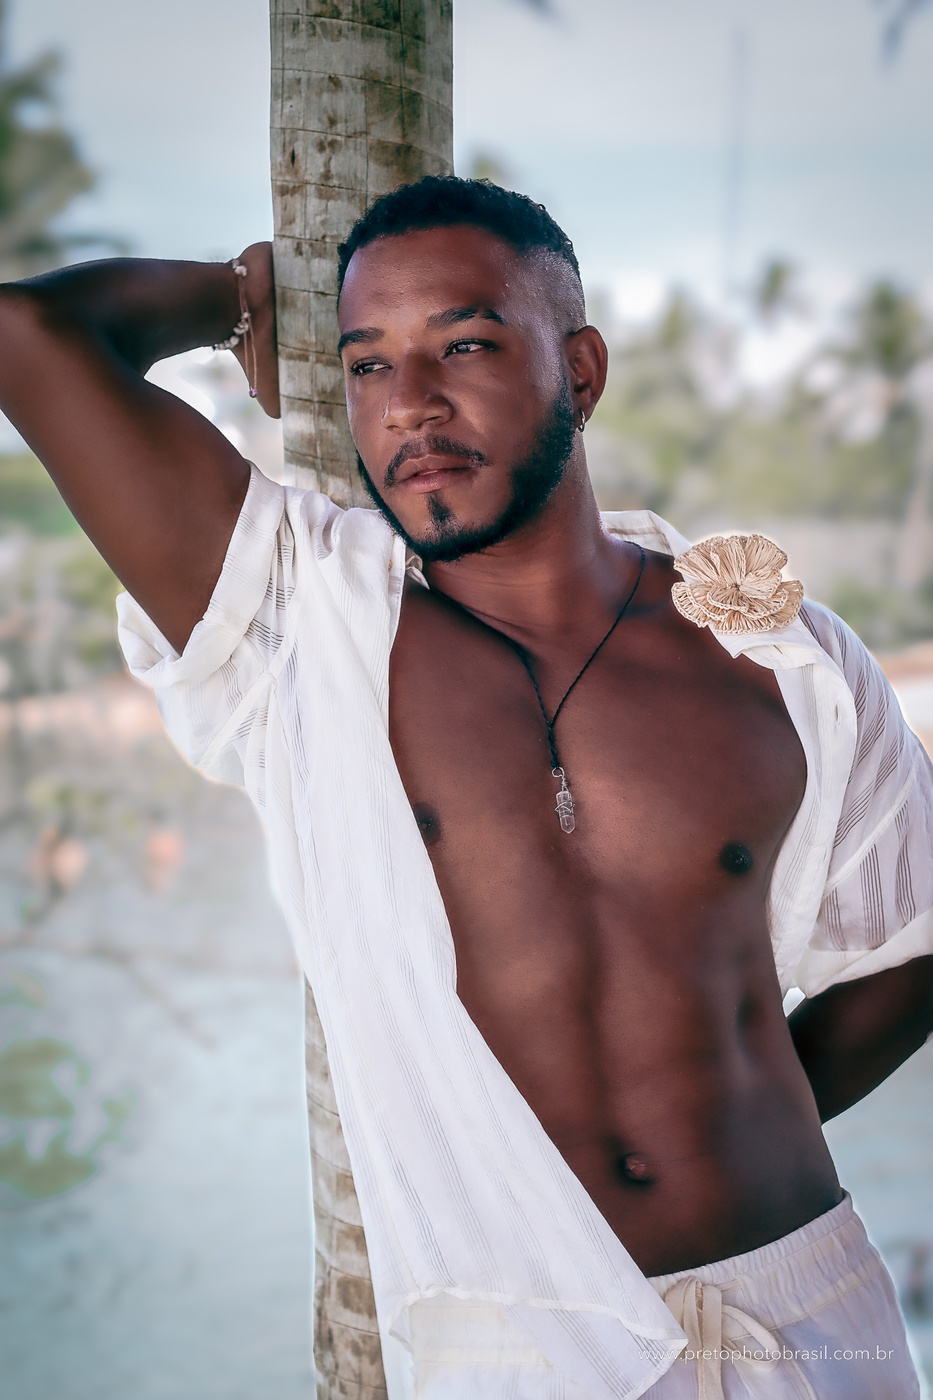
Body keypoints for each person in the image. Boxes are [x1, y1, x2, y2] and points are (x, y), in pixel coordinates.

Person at [1, 176, 931, 1400]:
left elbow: (910, 944)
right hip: (515, 1344)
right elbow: (29, 333)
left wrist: (732, 1118)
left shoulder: (773, 654)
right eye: (368, 363)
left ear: (581, 373)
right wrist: (240, 299)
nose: (411, 401)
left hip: (808, 1313)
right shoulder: (306, 631)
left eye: (467, 344)